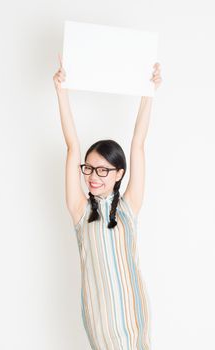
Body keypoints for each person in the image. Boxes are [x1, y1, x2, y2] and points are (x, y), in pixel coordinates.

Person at [53, 54, 162, 350]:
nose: (93, 176)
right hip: (99, 320)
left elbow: (138, 143)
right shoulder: (80, 210)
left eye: (103, 170)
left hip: (134, 316)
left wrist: (148, 93)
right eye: (89, 168)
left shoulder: (129, 207)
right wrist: (61, 92)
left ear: (118, 174)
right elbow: (72, 145)